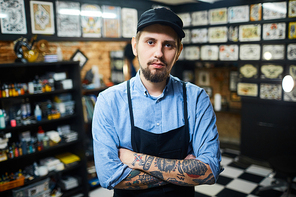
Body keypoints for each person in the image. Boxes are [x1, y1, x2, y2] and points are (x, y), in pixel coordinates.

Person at [92, 7, 222, 197]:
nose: (159, 53)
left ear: (178, 52)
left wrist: (135, 159)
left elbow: (210, 170)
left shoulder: (196, 98)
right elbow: (109, 177)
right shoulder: (109, 101)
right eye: (150, 42)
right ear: (135, 46)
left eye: (168, 45)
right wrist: (184, 170)